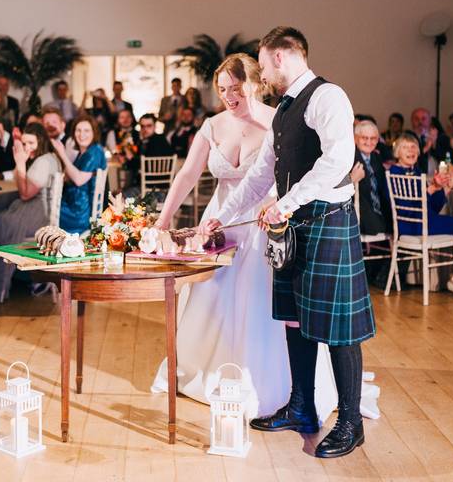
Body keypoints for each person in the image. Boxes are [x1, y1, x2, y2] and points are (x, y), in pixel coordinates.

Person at [152, 53, 361, 424]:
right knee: (213, 298)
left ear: (254, 83)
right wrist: (166, 221)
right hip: (224, 218)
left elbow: (283, 174)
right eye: (222, 90)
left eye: (235, 87)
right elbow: (188, 175)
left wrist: (279, 205)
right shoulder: (214, 125)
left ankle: (274, 387)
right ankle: (220, 374)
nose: (229, 96)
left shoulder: (281, 117)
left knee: (270, 308)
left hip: (268, 222)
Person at [201, 28, 376, 459]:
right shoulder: (284, 111)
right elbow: (262, 173)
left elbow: (339, 160)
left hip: (328, 223)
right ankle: (301, 408)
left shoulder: (327, 97)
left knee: (338, 329)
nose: (262, 75)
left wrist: (288, 202)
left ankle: (351, 423)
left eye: (262, 65)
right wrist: (221, 216)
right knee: (296, 320)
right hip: (295, 230)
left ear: (281, 57)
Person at [389, 133, 453, 295]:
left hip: (425, 220)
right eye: (405, 147)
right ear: (397, 152)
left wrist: (449, 186)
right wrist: (432, 188)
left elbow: (432, 207)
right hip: (410, 225)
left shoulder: (417, 172)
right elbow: (408, 209)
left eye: (414, 147)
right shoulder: (395, 174)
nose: (411, 150)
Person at [0, 123, 62, 299]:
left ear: (41, 142)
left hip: (38, 212)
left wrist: (20, 163)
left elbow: (25, 194)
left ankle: (1, 282)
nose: (27, 147)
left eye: (31, 143)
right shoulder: (46, 158)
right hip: (38, 207)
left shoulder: (44, 161)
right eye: (25, 143)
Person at [350, 120, 392, 285]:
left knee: (402, 227)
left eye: (373, 139)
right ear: (355, 138)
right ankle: (379, 276)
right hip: (360, 211)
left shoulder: (375, 157)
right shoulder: (350, 156)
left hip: (377, 208)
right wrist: (352, 179)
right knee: (395, 228)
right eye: (364, 138)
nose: (369, 142)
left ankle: (384, 276)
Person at [54, 115, 107, 234]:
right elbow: (70, 178)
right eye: (78, 130)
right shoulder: (83, 153)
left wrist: (63, 154)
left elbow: (78, 180)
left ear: (94, 132)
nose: (82, 134)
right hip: (74, 205)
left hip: (80, 212)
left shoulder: (95, 151)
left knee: (44, 208)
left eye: (86, 130)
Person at [410, 107, 452, 173]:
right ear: (412, 121)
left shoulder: (441, 137)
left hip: (438, 175)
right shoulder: (408, 137)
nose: (420, 122)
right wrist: (427, 146)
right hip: (417, 176)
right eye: (416, 119)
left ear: (430, 121)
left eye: (423, 119)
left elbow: (447, 159)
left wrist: (434, 144)